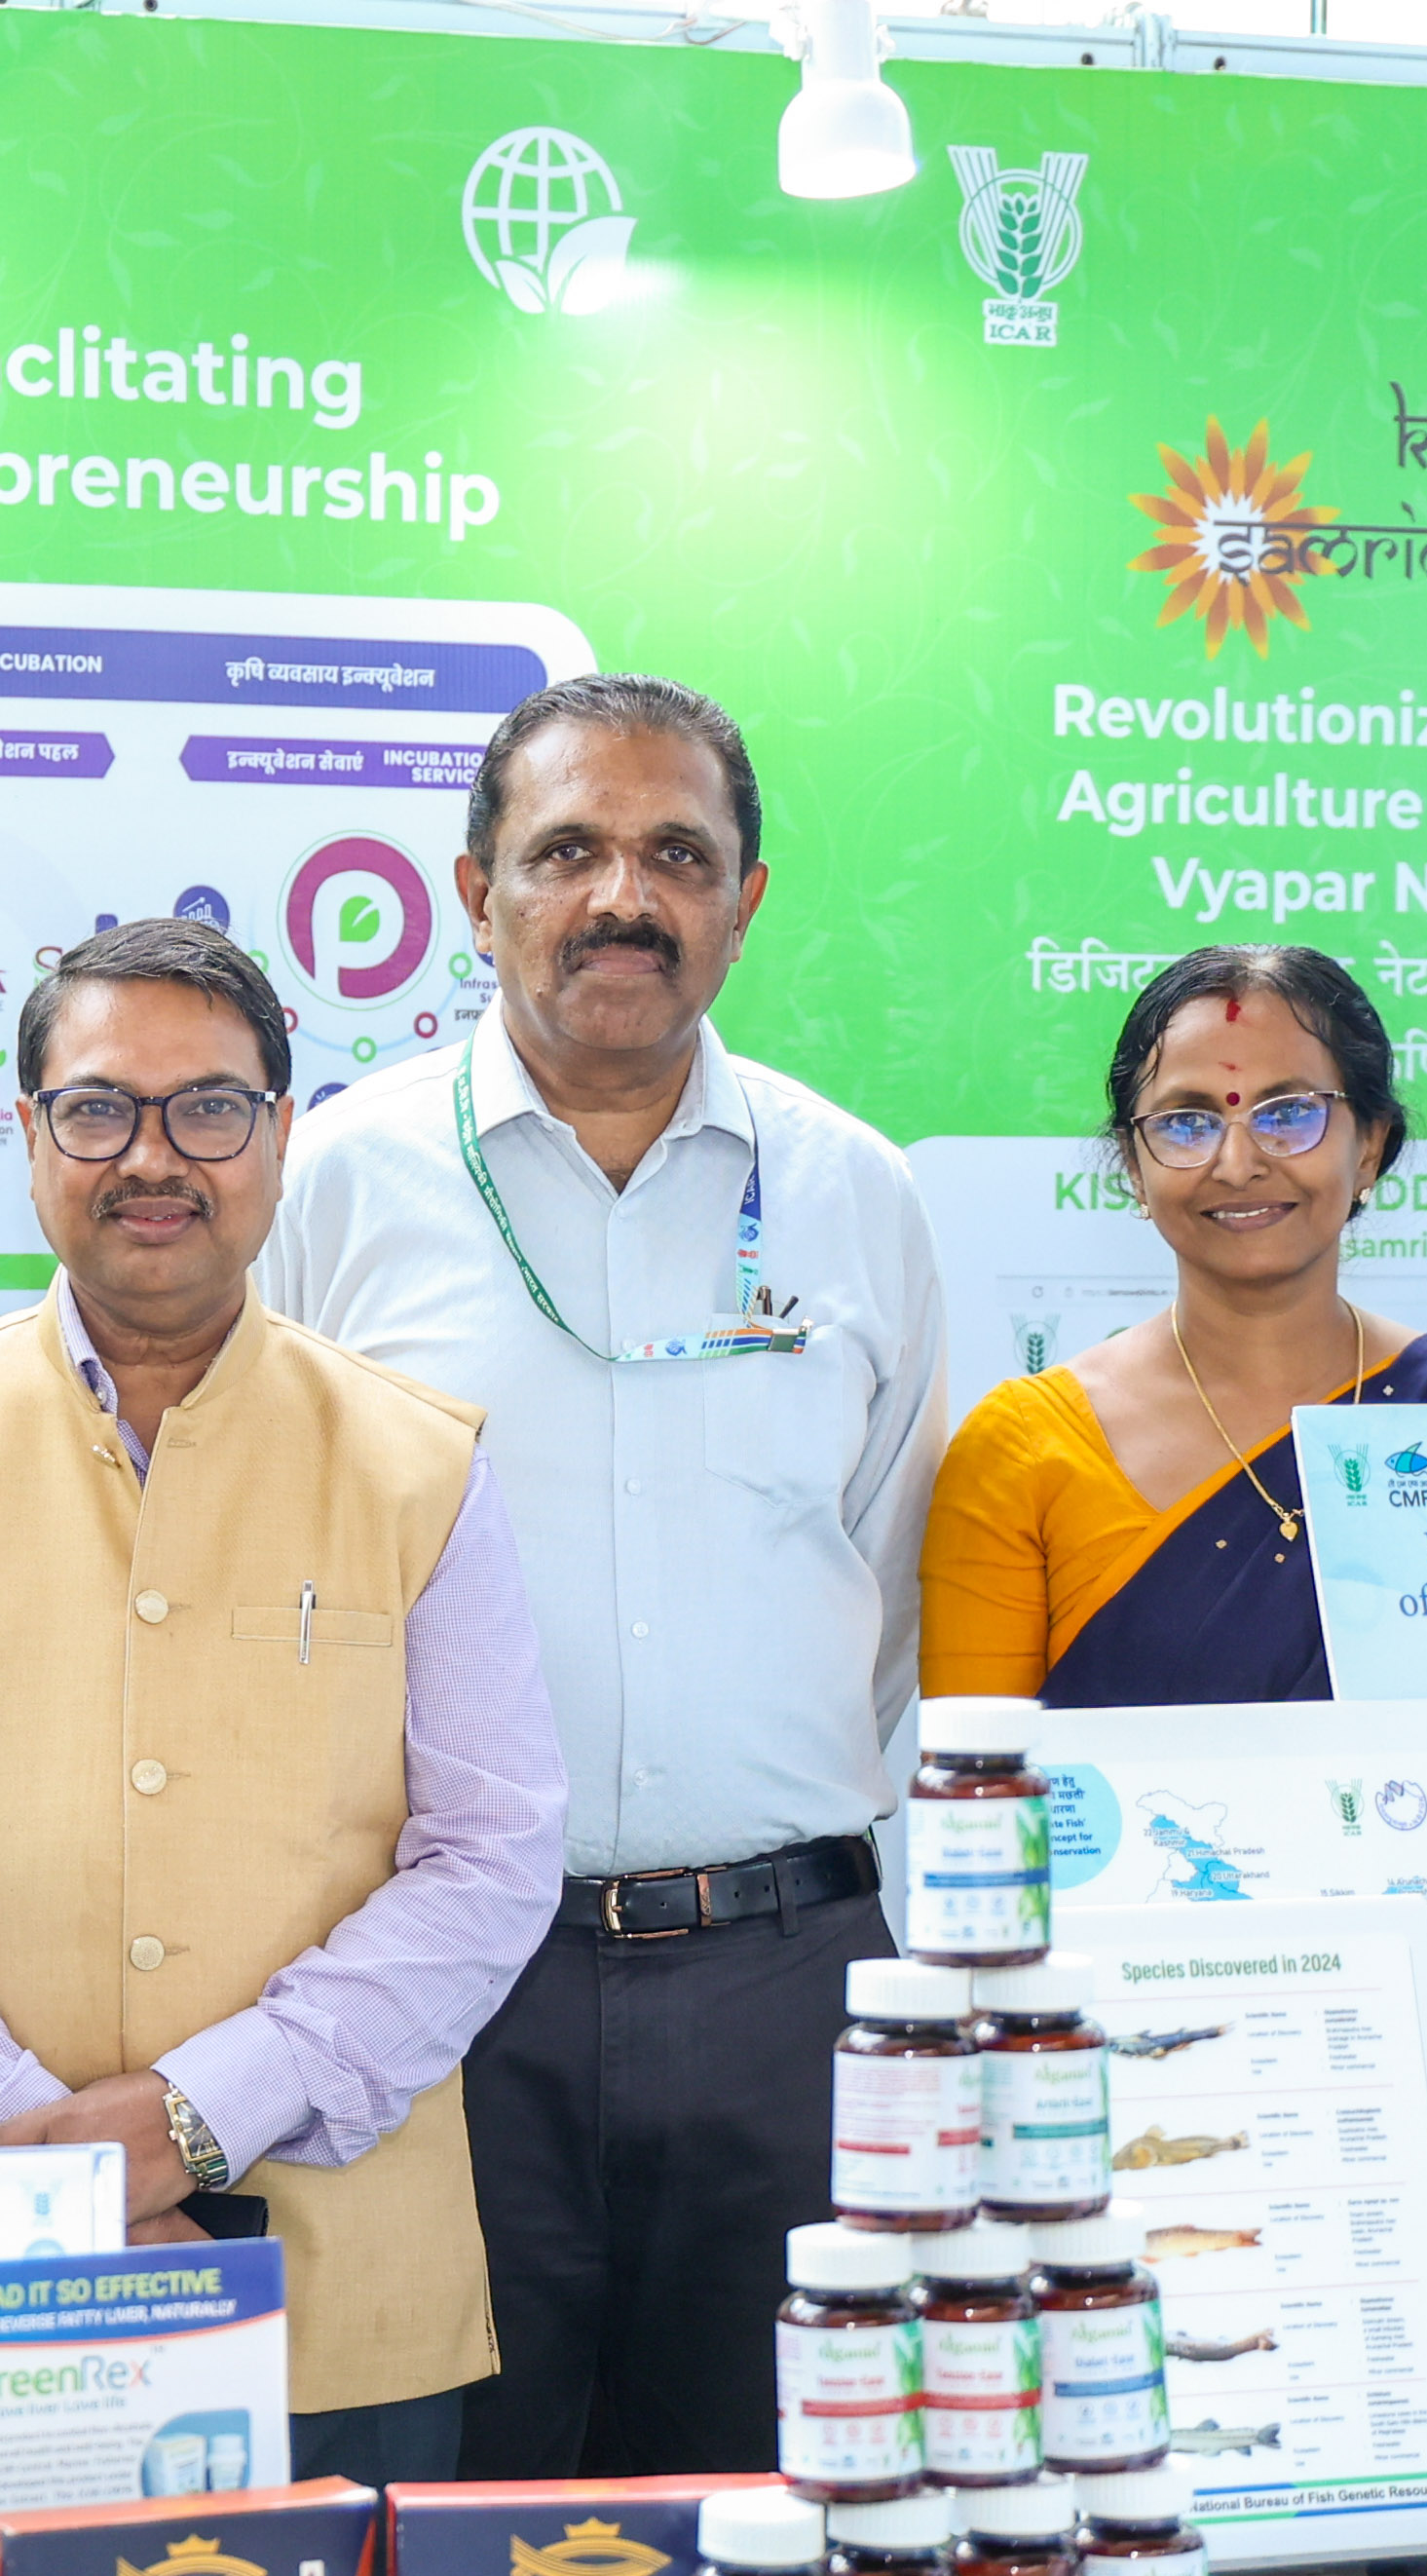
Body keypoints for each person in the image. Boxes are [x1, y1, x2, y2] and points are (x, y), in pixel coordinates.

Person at [0, 913, 565, 2481]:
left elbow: (491, 1853)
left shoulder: (417, 1461)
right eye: (97, 1108)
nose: (151, 1157)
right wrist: (27, 2150)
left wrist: (192, 2112)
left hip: (336, 2285)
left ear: (279, 1134)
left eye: (207, 1108)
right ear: (27, 1135)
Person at [255, 673, 941, 2481]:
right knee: (451, 2528)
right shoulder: (332, 1184)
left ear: (744, 899)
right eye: (564, 851)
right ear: (472, 892)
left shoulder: (854, 1193)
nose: (620, 897)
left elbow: (881, 1580)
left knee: (785, 2522)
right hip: (445, 1989)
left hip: (785, 1987)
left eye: (675, 855)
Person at [922, 943, 1427, 1704]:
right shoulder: (1024, 1453)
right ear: (1132, 1167)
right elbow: (978, 1772)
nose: (1236, 1163)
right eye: (1186, 1122)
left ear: (1369, 1146)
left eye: (1289, 1113)